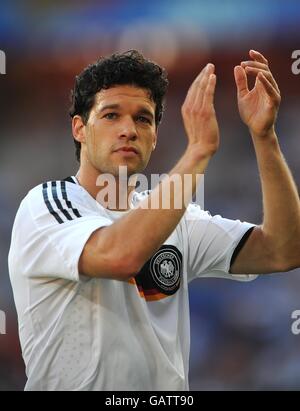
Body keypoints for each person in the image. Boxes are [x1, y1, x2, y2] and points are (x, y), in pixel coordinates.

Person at [8, 50, 300, 391]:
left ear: (155, 136)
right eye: (111, 115)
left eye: (143, 119)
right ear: (79, 129)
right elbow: (119, 255)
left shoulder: (175, 217)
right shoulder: (47, 205)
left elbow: (283, 250)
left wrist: (264, 137)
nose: (129, 130)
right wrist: (198, 151)